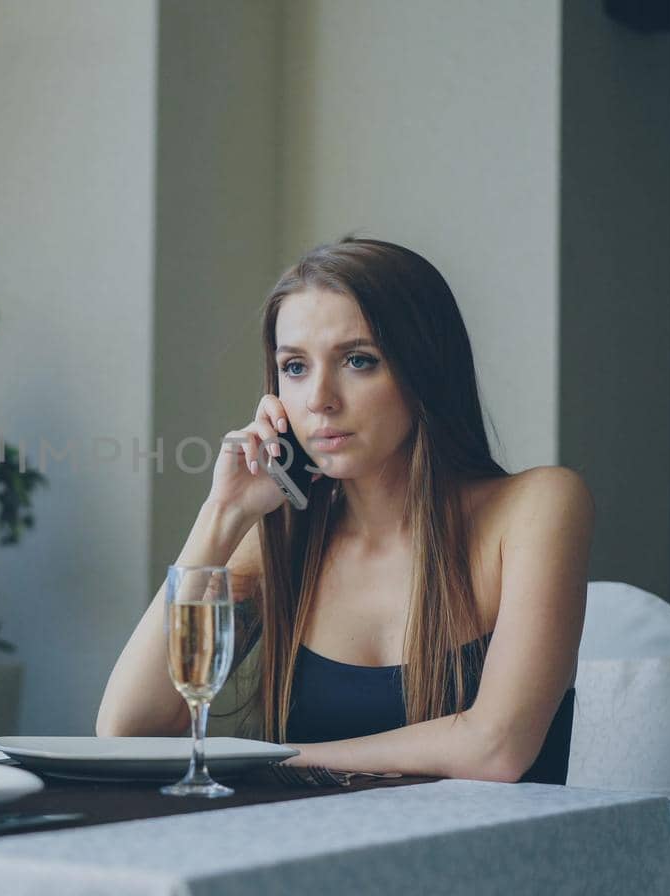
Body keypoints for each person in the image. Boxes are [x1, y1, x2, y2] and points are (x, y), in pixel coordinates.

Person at [96, 237, 591, 784]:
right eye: (295, 367)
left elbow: (497, 748)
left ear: (425, 369)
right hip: (322, 859)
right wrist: (222, 513)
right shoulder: (283, 539)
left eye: (359, 360)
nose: (319, 400)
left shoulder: (537, 507)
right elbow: (127, 728)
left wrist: (270, 758)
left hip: (495, 860)